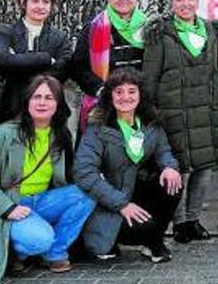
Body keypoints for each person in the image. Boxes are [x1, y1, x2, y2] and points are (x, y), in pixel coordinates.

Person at [141, 0, 218, 244]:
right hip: (173, 110)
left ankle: (193, 219)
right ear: (172, 2)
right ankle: (178, 223)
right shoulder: (160, 33)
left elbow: (216, 69)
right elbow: (150, 75)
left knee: (204, 167)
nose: (185, 4)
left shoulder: (211, 31)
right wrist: (151, 109)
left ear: (198, 1)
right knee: (180, 167)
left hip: (205, 108)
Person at [0, 75, 94, 284]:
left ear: (58, 104)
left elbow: (67, 178)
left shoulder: (60, 135)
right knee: (39, 239)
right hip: (10, 202)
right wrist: (8, 208)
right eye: (37, 97)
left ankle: (55, 252)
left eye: (49, 97)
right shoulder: (4, 133)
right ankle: (20, 249)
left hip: (41, 200)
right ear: (27, 101)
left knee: (88, 192)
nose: (42, 102)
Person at [74, 68, 182, 263]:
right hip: (108, 199)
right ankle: (117, 237)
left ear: (140, 94)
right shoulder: (97, 127)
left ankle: (152, 241)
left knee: (172, 181)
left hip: (135, 192)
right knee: (143, 227)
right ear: (110, 95)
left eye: (132, 91)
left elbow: (164, 151)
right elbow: (84, 173)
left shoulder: (150, 122)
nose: (126, 97)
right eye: (119, 91)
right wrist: (121, 204)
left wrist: (169, 167)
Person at [0, 0, 72, 130]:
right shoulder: (5, 32)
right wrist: (46, 59)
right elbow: (2, 62)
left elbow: (62, 71)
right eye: (35, 1)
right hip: (7, 109)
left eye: (46, 2)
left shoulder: (60, 38)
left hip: (49, 114)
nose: (40, 6)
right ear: (23, 2)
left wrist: (17, 63)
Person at [71, 0, 147, 140]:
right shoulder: (93, 28)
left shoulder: (149, 27)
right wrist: (100, 90)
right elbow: (78, 67)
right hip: (103, 104)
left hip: (140, 103)